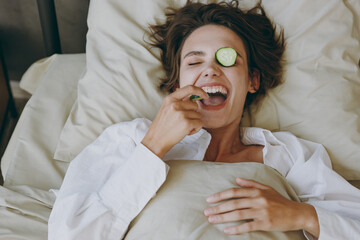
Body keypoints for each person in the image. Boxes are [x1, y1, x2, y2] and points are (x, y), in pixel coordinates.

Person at [48, 1, 360, 239]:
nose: (210, 70)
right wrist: (152, 147)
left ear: (252, 81)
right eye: (195, 61)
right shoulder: (129, 140)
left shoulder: (289, 156)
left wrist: (303, 216)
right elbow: (69, 233)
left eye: (228, 59)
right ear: (177, 84)